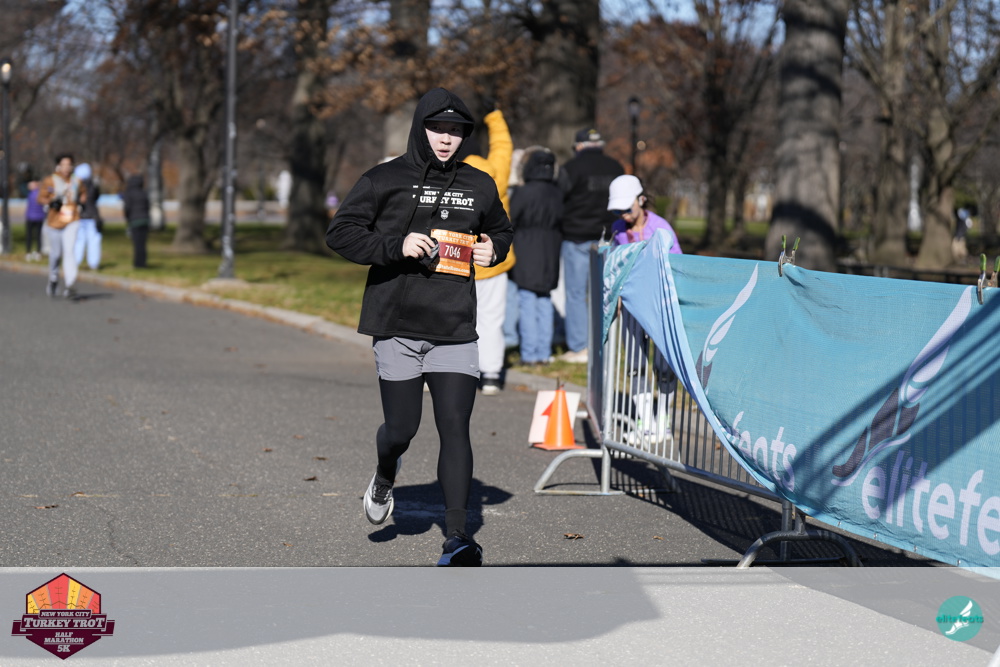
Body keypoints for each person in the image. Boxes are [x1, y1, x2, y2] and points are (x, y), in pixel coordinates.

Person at [326, 87, 512, 567]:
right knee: (401, 429)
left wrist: (494, 248)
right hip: (397, 325)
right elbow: (340, 232)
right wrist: (396, 246)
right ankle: (385, 473)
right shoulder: (384, 179)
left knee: (455, 427)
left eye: (455, 131)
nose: (446, 139)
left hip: (454, 326)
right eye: (438, 129)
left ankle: (457, 537)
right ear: (420, 128)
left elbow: (501, 229)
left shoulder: (479, 183)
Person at [607, 174, 682, 446]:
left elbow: (677, 265)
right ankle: (645, 423)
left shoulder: (661, 228)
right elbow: (614, 263)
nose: (623, 215)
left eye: (627, 208)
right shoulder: (617, 229)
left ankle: (663, 419)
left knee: (664, 365)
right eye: (618, 210)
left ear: (641, 200)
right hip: (631, 306)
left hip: (660, 306)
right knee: (636, 364)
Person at [458, 103, 514, 395]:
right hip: (493, 260)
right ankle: (491, 373)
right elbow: (504, 146)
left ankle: (452, 372)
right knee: (492, 318)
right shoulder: (496, 172)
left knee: (455, 317)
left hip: (458, 259)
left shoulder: (455, 175)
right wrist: (494, 115)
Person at [556, 127, 624, 363]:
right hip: (609, 237)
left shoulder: (570, 168)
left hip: (576, 237)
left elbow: (559, 200)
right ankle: (606, 343)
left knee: (576, 294)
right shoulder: (616, 168)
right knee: (606, 292)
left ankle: (580, 347)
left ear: (579, 146)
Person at [509, 147, 563, 365]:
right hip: (550, 251)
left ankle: (529, 354)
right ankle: (543, 353)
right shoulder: (557, 193)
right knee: (544, 301)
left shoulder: (523, 192)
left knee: (527, 301)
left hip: (525, 250)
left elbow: (511, 220)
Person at [37, 153, 86, 298]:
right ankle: (53, 277)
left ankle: (70, 283)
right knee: (56, 254)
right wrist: (51, 202)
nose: (66, 168)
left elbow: (84, 194)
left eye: (69, 164)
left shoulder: (77, 181)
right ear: (58, 166)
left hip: (72, 220)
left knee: (69, 251)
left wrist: (81, 201)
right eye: (63, 164)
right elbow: (41, 198)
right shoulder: (50, 180)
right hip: (54, 222)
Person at [73, 163, 103, 271]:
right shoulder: (93, 185)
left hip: (82, 217)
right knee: (93, 241)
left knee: (79, 240)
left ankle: (76, 262)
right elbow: (96, 197)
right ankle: (93, 263)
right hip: (92, 217)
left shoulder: (76, 186)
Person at [122, 174, 151, 268]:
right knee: (142, 243)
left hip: (134, 221)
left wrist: (128, 219)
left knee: (137, 243)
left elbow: (127, 208)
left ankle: (138, 263)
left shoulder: (129, 193)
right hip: (145, 220)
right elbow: (148, 206)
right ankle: (143, 262)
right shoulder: (144, 193)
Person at [24, 180, 45, 261]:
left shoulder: (32, 194)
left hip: (32, 217)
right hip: (38, 217)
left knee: (30, 236)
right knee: (38, 236)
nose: (29, 187)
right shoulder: (40, 193)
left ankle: (29, 252)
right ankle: (37, 252)